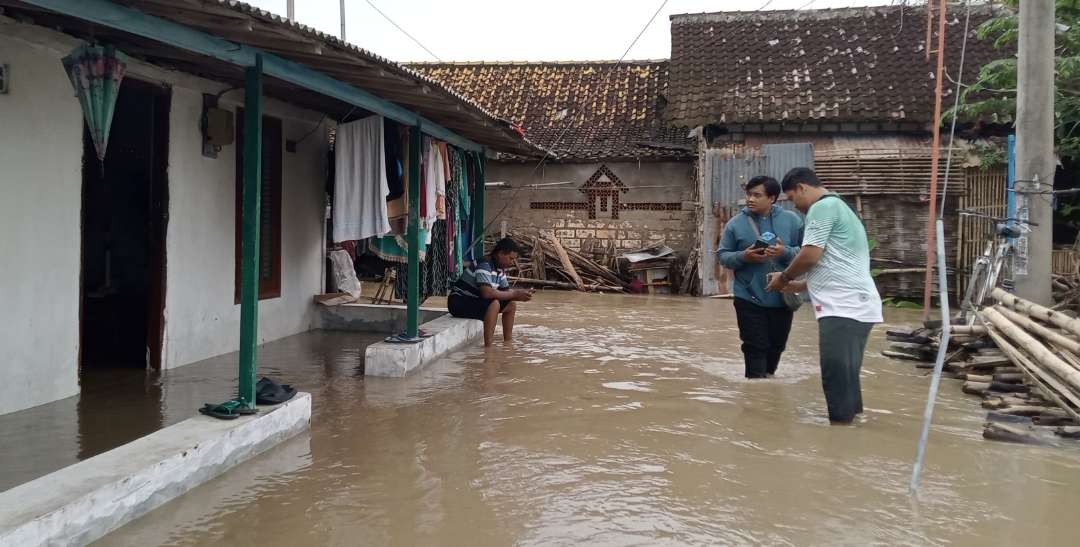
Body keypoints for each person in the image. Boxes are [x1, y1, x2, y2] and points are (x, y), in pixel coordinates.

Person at [767, 167, 883, 424]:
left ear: (801, 188)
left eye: (792, 198)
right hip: (857, 304)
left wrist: (784, 278)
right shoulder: (841, 208)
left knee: (835, 374)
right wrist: (796, 286)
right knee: (847, 374)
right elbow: (834, 268)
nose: (795, 206)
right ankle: (852, 425)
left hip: (844, 307)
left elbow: (810, 255)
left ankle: (840, 433)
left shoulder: (822, 207)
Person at [717, 175, 804, 379]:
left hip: (781, 296)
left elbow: (806, 251)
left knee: (776, 346)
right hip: (748, 296)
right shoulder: (735, 224)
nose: (750, 199)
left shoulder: (792, 221)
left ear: (772, 198)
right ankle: (755, 394)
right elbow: (723, 255)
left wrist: (784, 252)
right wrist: (743, 256)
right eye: (749, 194)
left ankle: (767, 392)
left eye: (757, 195)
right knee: (754, 346)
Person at [448, 237, 534, 347]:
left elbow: (506, 292)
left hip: (474, 301)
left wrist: (522, 294)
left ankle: (508, 342)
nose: (513, 262)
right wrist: (515, 294)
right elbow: (487, 293)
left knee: (511, 305)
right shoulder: (484, 264)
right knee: (494, 304)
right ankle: (489, 347)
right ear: (501, 253)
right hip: (457, 303)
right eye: (511, 258)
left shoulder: (499, 269)